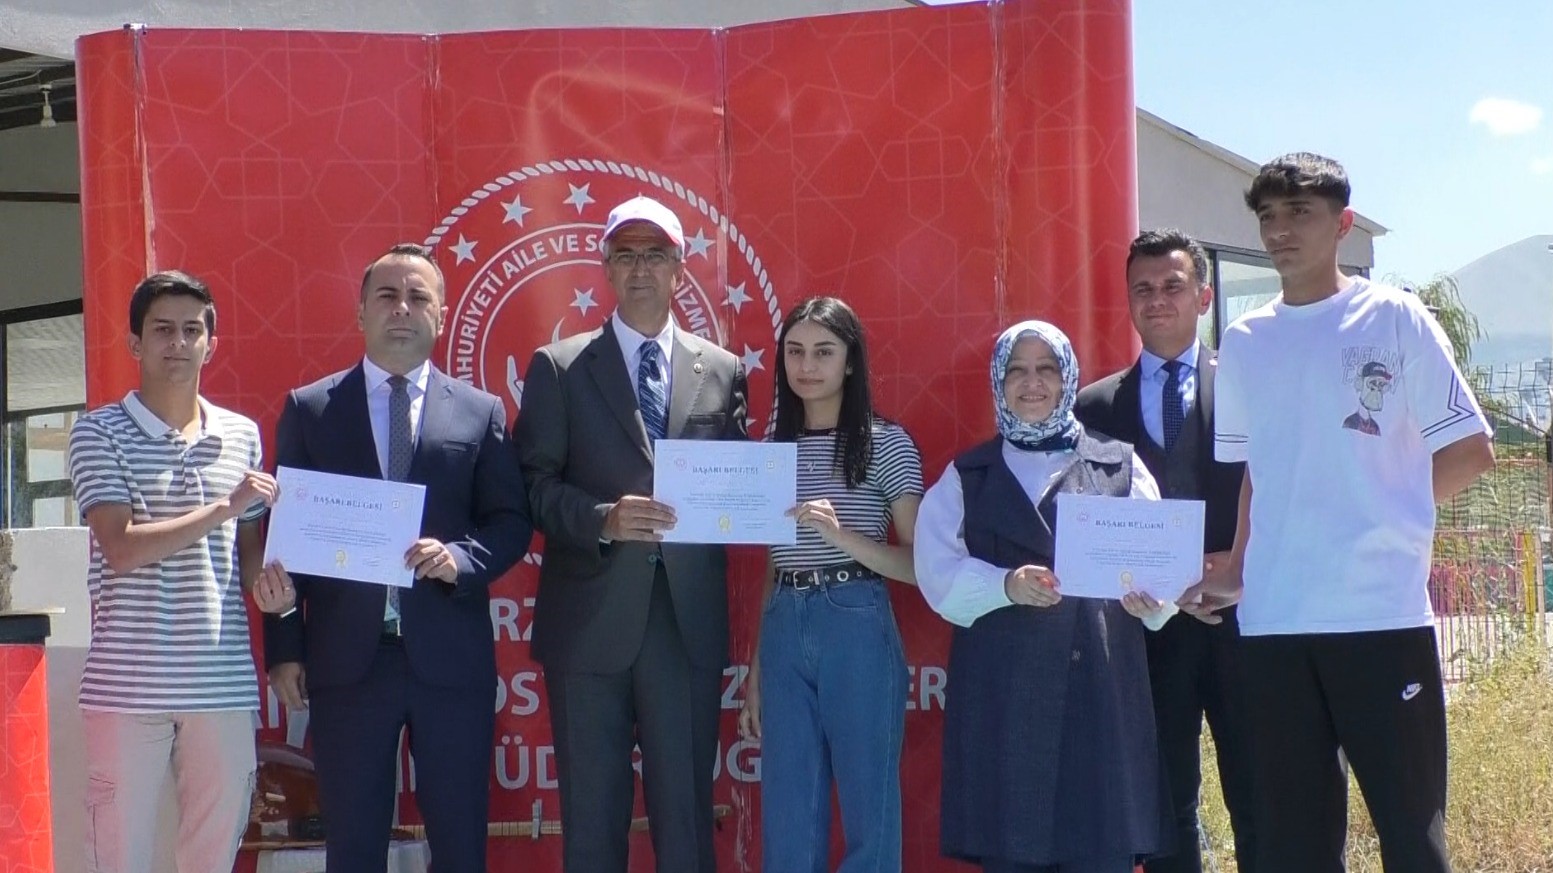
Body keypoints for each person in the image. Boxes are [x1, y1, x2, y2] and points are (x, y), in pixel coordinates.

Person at [1185, 152, 1495, 872]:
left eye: (1299, 213)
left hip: (1378, 616)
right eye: (1267, 216)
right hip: (1273, 624)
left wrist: (1379, 518)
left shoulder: (1391, 317)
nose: (1279, 231)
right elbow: (1256, 474)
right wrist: (1235, 564)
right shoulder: (1244, 340)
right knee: (1293, 844)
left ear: (1342, 224)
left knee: (1411, 838)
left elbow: (1471, 449)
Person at [262, 243, 532, 873]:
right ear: (361, 312)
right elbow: (288, 540)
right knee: (353, 849)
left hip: (450, 661)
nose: (402, 309)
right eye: (387, 296)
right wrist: (283, 645)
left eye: (418, 298)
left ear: (441, 314)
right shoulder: (311, 408)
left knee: (461, 845)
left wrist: (461, 559)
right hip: (347, 663)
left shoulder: (480, 411)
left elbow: (511, 522)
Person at [515, 195, 749, 873]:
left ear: (680, 266)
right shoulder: (558, 366)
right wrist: (602, 520)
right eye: (625, 254)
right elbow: (532, 487)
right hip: (589, 624)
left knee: (685, 821)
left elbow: (733, 485)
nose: (640, 268)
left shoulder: (724, 369)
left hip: (683, 625)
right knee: (591, 820)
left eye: (654, 254)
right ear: (606, 268)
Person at [915, 320, 1171, 873]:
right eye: (1017, 372)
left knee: (1098, 843)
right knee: (1014, 845)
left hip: (1099, 694)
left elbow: (1160, 567)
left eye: (1047, 370)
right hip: (1004, 701)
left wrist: (1154, 602)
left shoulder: (1121, 466)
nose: (1032, 384)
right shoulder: (967, 476)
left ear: (1068, 378)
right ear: (998, 383)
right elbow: (936, 576)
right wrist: (1004, 586)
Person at [67, 270, 292, 873]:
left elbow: (248, 557)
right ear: (135, 343)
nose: (178, 342)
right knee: (118, 859)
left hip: (222, 689)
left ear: (210, 344)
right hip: (126, 688)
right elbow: (121, 548)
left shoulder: (243, 436)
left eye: (192, 330)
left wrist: (271, 593)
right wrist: (225, 506)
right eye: (162, 329)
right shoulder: (96, 432)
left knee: (211, 859)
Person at [1073, 229, 1257, 873]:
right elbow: (1087, 524)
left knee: (1261, 798)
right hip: (1145, 632)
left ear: (1204, 296)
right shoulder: (1092, 407)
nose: (1158, 301)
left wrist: (1234, 566)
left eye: (1173, 286)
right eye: (1143, 289)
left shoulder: (1249, 387)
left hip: (1248, 626)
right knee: (1163, 807)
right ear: (1127, 301)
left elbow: (1287, 491)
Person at [736, 296, 923, 872]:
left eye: (823, 351)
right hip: (785, 623)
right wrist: (756, 668)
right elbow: (774, 559)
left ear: (850, 362)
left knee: (871, 812)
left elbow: (919, 564)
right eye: (795, 352)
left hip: (857, 616)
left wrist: (844, 539)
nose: (807, 366)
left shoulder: (885, 442)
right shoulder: (772, 452)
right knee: (790, 816)